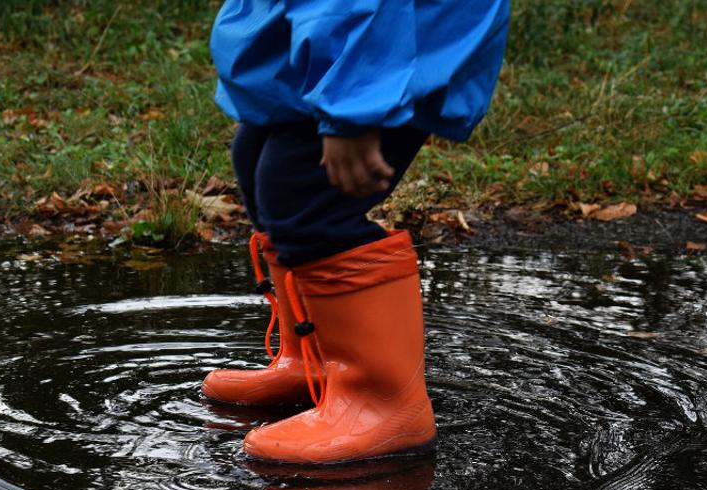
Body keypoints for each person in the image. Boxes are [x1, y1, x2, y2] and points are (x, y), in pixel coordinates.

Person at [202, 0, 510, 464]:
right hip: (335, 44)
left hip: (382, 50)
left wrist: (355, 107)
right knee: (257, 157)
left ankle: (383, 405)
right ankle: (315, 364)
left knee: (304, 195)